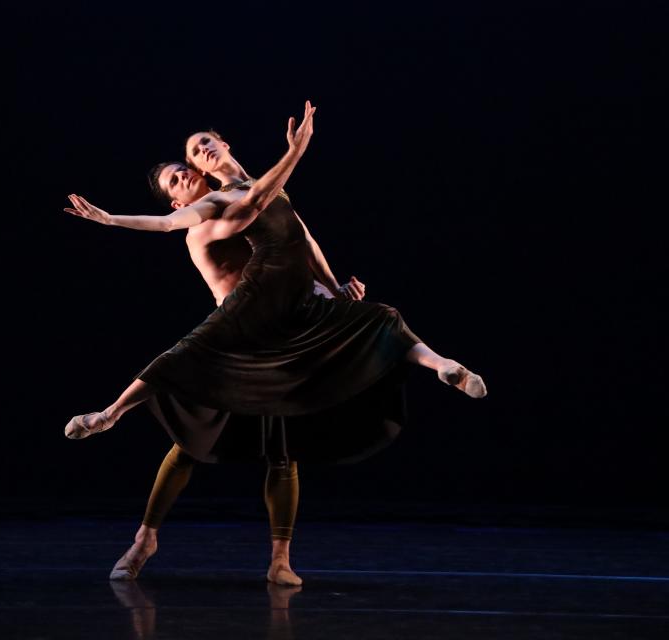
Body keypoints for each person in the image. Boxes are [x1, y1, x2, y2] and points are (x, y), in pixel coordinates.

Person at [63, 100, 486, 580]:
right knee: (188, 443)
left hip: (285, 329)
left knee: (286, 445)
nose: (186, 172)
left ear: (220, 148)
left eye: (190, 161)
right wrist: (113, 219)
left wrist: (333, 284)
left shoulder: (249, 191)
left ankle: (280, 562)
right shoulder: (205, 216)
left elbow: (300, 238)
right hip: (237, 339)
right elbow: (197, 217)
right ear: (180, 200)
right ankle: (141, 532)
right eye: (175, 180)